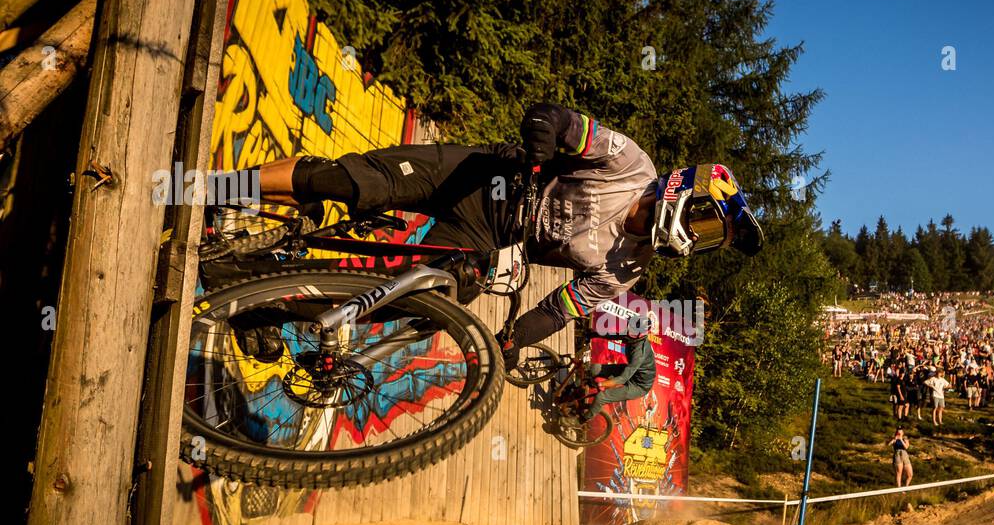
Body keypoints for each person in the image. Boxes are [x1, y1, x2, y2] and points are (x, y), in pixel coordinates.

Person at [223, 102, 763, 363]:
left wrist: (509, 343)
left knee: (418, 302)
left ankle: (260, 297)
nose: (699, 235)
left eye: (711, 236)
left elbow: (559, 309)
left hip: (488, 238)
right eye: (705, 219)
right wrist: (547, 134)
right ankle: (218, 188)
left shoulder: (629, 267)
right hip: (484, 177)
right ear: (685, 190)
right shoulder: (630, 164)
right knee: (353, 184)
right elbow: (557, 119)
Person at [584, 314, 658, 422]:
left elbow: (623, 378)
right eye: (629, 327)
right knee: (594, 369)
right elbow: (612, 335)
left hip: (638, 386)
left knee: (601, 397)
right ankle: (583, 386)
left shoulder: (639, 353)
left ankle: (581, 420)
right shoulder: (632, 334)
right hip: (632, 372)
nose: (628, 332)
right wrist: (593, 334)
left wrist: (602, 384)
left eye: (632, 331)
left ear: (640, 335)